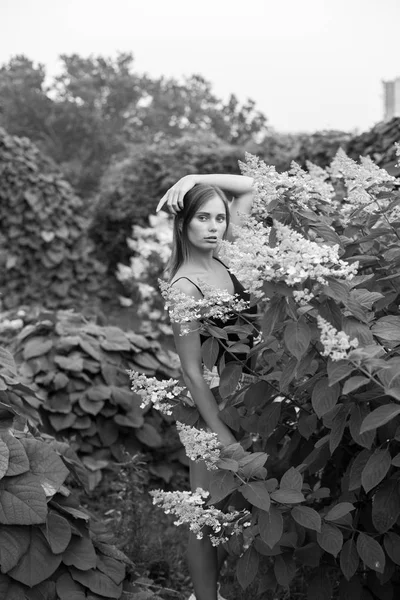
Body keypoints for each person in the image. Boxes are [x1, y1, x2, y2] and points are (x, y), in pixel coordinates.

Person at [156, 173, 256, 600]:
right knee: (206, 509)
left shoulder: (227, 259)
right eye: (203, 217)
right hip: (209, 407)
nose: (215, 227)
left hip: (248, 395)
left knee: (239, 505)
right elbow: (192, 370)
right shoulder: (184, 284)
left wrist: (192, 178)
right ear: (183, 224)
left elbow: (249, 186)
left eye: (220, 218)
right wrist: (218, 430)